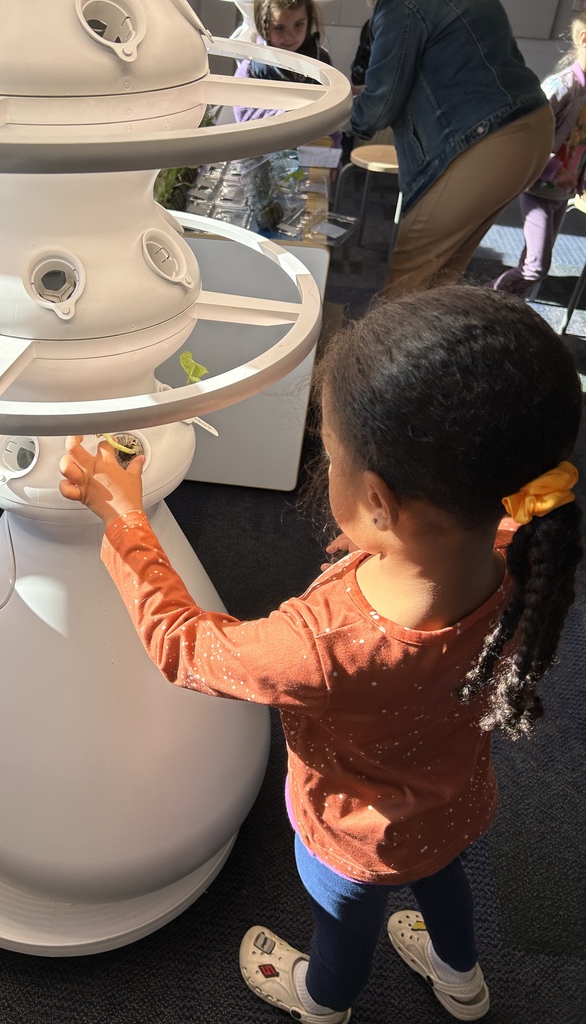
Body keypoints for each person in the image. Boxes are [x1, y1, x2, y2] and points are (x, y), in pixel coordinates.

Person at [59, 285, 582, 1022]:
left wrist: (122, 516)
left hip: (353, 841)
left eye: (329, 454)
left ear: (379, 500)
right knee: (444, 886)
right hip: (456, 804)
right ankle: (462, 984)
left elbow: (185, 646)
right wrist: (379, 546)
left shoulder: (322, 645)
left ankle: (320, 1003)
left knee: (344, 932)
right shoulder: (528, 550)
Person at [350, 0, 554, 299]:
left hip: (488, 141)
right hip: (529, 126)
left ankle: (392, 347)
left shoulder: (399, 5)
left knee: (404, 288)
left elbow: (380, 106)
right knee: (441, 278)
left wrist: (329, 115)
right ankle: (433, 342)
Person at [494, 14, 586, 298]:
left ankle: (509, 309)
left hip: (561, 194)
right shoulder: (562, 87)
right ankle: (492, 303)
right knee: (535, 267)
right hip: (539, 188)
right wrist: (554, 170)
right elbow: (526, 136)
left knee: (533, 262)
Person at [232, 0, 341, 151]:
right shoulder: (253, 66)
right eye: (279, 28)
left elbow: (334, 114)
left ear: (309, 21)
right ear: (264, 26)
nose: (290, 36)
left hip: (312, 159)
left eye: (298, 25)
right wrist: (287, 115)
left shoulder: (321, 61)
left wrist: (333, 154)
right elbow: (244, 116)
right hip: (267, 157)